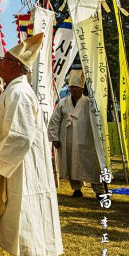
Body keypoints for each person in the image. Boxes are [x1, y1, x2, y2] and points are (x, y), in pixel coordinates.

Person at [0, 34, 63, 256]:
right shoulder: (13, 90)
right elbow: (0, 116)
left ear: (16, 66)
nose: (0, 63)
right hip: (16, 166)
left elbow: (20, 135)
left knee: (24, 212)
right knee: (16, 212)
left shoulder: (20, 92)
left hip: (21, 168)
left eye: (5, 60)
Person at [48, 69, 104, 198]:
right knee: (70, 163)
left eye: (76, 87)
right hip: (67, 138)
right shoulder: (63, 102)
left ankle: (99, 190)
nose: (73, 89)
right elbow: (55, 120)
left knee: (90, 164)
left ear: (82, 88)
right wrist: (54, 137)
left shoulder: (89, 103)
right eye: (72, 87)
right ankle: (77, 189)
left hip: (86, 139)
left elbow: (97, 120)